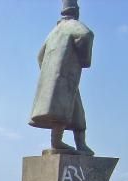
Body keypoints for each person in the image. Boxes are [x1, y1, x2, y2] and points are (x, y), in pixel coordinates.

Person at [29, 0, 94, 155]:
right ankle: (57, 142)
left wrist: (48, 72)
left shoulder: (54, 31)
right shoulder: (72, 25)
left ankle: (80, 144)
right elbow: (87, 34)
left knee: (77, 112)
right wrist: (84, 59)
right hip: (64, 78)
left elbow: (40, 56)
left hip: (62, 79)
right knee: (61, 109)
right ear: (75, 11)